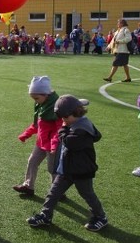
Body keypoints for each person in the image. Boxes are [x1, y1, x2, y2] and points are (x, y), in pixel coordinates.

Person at [27, 95, 108, 232]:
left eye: (65, 118)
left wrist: (62, 129)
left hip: (81, 171)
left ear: (75, 114)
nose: (63, 121)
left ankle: (101, 217)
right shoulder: (76, 123)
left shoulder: (81, 129)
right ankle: (45, 215)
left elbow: (69, 143)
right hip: (66, 169)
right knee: (53, 193)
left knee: (88, 194)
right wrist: (66, 127)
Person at [13, 76, 62, 197]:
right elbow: (37, 124)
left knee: (52, 169)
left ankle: (58, 192)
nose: (35, 101)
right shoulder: (41, 105)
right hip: (41, 142)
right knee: (32, 161)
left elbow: (59, 129)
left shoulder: (56, 107)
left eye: (36, 98)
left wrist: (54, 144)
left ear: (46, 94)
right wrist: (26, 134)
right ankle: (28, 186)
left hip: (52, 145)